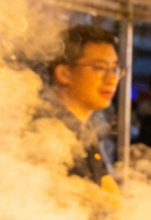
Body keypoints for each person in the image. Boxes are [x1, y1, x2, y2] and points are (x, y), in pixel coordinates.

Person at [37, 24, 122, 194]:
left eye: (114, 69)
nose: (112, 79)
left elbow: (111, 193)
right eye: (99, 67)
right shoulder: (46, 132)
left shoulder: (86, 131)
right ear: (64, 74)